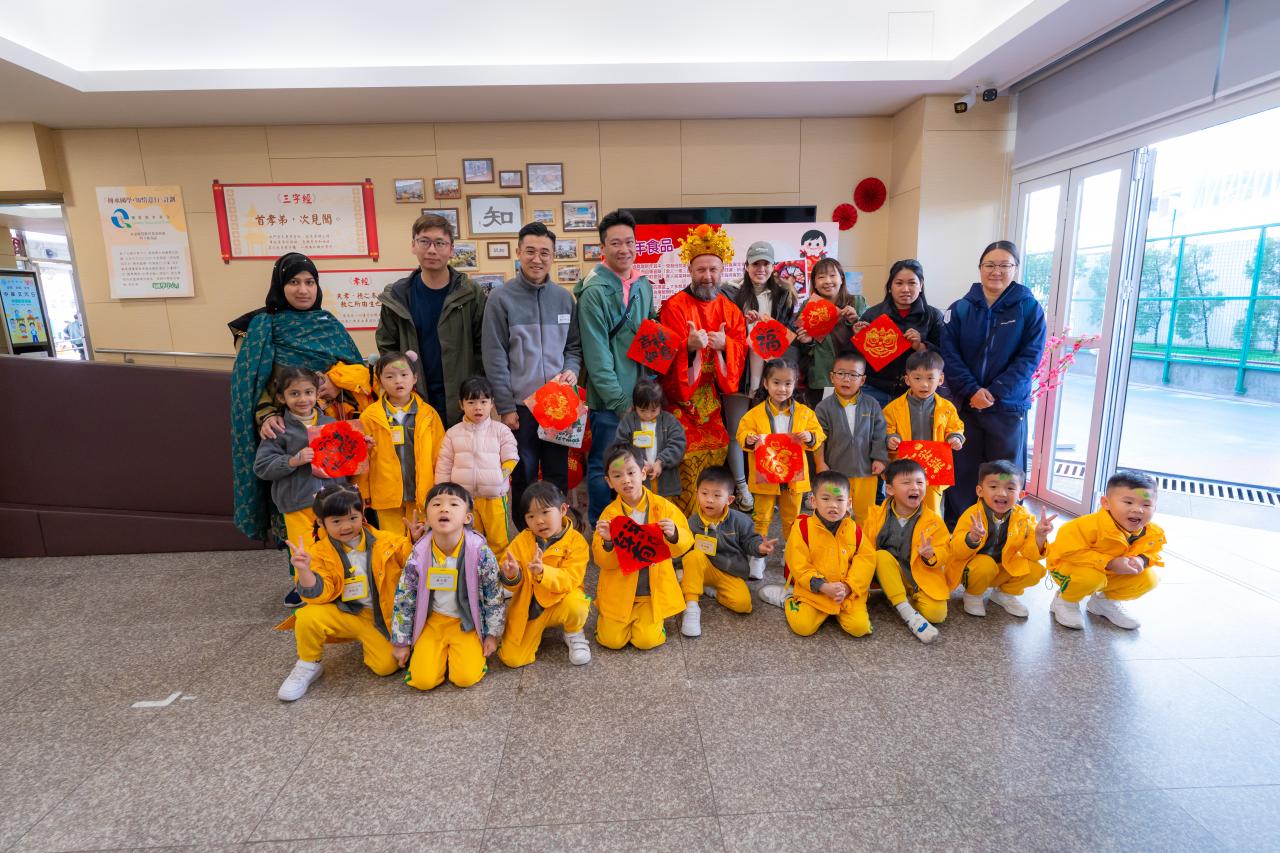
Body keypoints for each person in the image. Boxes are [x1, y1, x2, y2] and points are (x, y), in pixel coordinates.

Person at [229, 252, 363, 545]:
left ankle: (343, 569)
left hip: (330, 427)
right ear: (280, 285)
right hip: (287, 430)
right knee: (298, 519)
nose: (303, 290)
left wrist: (337, 382)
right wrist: (266, 415)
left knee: (340, 509)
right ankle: (302, 570)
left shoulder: (329, 324)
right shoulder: (264, 326)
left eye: (309, 282)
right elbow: (252, 384)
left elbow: (360, 370)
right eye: (294, 282)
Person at [275, 484, 424, 701]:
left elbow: (411, 563)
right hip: (347, 613)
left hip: (383, 616)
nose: (346, 526)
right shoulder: (318, 552)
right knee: (306, 616)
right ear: (321, 522)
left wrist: (416, 541)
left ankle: (373, 643)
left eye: (353, 518)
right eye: (336, 521)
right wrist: (304, 570)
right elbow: (319, 594)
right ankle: (308, 664)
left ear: (362, 514)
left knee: (386, 667)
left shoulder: (385, 541)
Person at [940, 240, 1047, 526]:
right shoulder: (960, 308)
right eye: (990, 265)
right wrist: (972, 390)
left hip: (1007, 407)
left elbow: (1030, 357)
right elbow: (949, 354)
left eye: (1004, 265)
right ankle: (961, 532)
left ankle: (1006, 533)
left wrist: (994, 392)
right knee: (963, 473)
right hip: (966, 406)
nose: (996, 271)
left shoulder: (1029, 309)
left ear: (1015, 268)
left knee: (1005, 475)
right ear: (980, 268)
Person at [481, 221, 581, 519]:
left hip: (558, 404)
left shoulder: (564, 298)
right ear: (518, 253)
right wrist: (505, 406)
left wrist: (572, 369)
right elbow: (495, 355)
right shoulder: (500, 299)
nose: (537, 259)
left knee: (557, 474)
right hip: (521, 407)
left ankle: (557, 533)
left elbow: (573, 347)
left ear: (553, 256)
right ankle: (525, 537)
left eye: (544, 253)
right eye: (530, 251)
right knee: (523, 473)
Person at [656, 225, 749, 513]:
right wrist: (687, 345)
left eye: (713, 270)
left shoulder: (730, 310)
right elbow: (664, 355)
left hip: (710, 398)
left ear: (722, 271)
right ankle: (680, 518)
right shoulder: (674, 306)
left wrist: (726, 346)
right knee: (681, 451)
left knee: (719, 446)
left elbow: (740, 347)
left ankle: (710, 513)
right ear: (690, 271)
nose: (707, 276)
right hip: (680, 399)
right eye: (701, 270)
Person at [574, 210, 655, 526]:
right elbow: (597, 356)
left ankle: (633, 526)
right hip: (611, 402)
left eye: (629, 242)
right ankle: (601, 530)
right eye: (616, 243)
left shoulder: (642, 284)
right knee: (604, 466)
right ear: (603, 248)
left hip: (641, 399)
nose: (624, 249)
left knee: (636, 466)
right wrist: (621, 402)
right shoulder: (594, 291)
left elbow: (650, 332)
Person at [390, 482, 505, 690]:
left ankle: (460, 658)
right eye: (436, 504)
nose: (444, 509)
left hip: (466, 622)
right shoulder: (420, 553)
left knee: (465, 678)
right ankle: (436, 658)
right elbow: (405, 597)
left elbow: (493, 594)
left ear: (467, 517)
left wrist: (492, 634)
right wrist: (401, 642)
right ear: (427, 518)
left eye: (453, 504)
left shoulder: (479, 552)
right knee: (423, 681)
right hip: (432, 623)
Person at [375, 213, 487, 427]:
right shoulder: (397, 295)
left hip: (464, 397)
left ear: (451, 249)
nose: (432, 250)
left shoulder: (470, 292)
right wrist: (401, 383)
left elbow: (484, 345)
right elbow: (387, 347)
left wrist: (478, 390)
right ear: (413, 245)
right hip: (414, 396)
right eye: (424, 241)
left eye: (440, 243)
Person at [591, 446, 693, 650]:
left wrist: (674, 534)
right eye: (617, 476)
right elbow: (602, 560)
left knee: (647, 641)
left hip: (650, 593)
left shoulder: (662, 507)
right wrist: (608, 542)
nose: (626, 480)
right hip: (619, 592)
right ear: (609, 482)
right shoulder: (609, 515)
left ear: (643, 473)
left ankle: (650, 623)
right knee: (611, 641)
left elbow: (686, 541)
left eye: (631, 472)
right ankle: (614, 622)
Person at [721, 240, 797, 510]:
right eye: (755, 264)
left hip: (772, 372)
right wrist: (744, 323)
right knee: (735, 432)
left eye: (766, 263)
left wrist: (767, 324)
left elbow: (788, 335)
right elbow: (725, 330)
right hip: (739, 371)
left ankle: (770, 485)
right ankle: (742, 487)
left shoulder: (785, 295)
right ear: (746, 266)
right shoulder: (731, 294)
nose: (760, 269)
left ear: (773, 266)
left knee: (771, 431)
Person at [757, 470, 876, 638]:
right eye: (826, 499)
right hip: (814, 592)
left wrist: (848, 587)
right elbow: (798, 564)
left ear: (849, 503)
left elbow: (866, 560)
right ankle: (788, 598)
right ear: (813, 501)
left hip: (846, 593)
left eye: (839, 499)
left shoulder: (855, 530)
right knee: (802, 627)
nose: (833, 505)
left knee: (860, 628)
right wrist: (823, 586)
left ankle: (837, 608)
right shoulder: (802, 528)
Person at [736, 358, 826, 578]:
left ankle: (792, 553)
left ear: (795, 384)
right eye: (776, 383)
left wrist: (810, 436)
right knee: (761, 517)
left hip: (794, 477)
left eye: (788, 383)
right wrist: (750, 438)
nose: (782, 389)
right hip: (764, 475)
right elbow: (742, 433)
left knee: (792, 517)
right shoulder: (755, 413)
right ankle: (758, 555)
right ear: (766, 383)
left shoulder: (805, 413)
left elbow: (819, 434)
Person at [1047, 471, 1164, 630]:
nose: (1138, 510)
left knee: (1148, 578)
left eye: (1146, 505)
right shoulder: (1086, 526)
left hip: (1108, 574)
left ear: (1155, 507)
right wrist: (1110, 563)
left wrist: (1141, 560)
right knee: (1091, 578)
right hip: (1068, 567)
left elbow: (1153, 552)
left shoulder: (1152, 532)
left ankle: (1105, 603)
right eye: (1128, 502)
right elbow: (1068, 551)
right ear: (1106, 503)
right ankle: (1065, 602)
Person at [497, 481, 592, 667]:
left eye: (545, 512)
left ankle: (574, 632)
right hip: (531, 607)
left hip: (561, 601)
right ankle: (535, 630)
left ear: (562, 510)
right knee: (512, 659)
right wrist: (511, 575)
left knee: (576, 605)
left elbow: (571, 579)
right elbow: (512, 584)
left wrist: (543, 572)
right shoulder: (522, 541)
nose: (538, 521)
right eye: (531, 516)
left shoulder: (576, 541)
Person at [252, 366, 347, 548]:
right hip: (298, 506)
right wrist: (292, 461)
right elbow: (262, 467)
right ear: (282, 397)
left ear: (317, 393)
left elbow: (345, 462)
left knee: (335, 553)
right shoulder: (278, 429)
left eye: (308, 392)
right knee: (306, 555)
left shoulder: (331, 424)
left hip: (333, 503)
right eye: (294, 394)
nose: (303, 399)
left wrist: (361, 446)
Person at [678, 465, 777, 638]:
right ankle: (692, 607)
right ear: (697, 493)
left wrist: (760, 548)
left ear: (729, 499)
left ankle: (712, 591)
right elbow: (683, 547)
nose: (709, 500)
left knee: (743, 605)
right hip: (704, 568)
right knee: (693, 556)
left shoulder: (740, 520)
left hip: (729, 572)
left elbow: (750, 540)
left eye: (717, 495)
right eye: (704, 493)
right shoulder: (692, 522)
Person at [947, 460, 1054, 618]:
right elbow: (955, 550)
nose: (1002, 493)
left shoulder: (1024, 518)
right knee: (985, 564)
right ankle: (973, 595)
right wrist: (971, 538)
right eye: (993, 486)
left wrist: (1039, 537)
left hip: (1004, 567)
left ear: (1021, 495)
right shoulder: (972, 515)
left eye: (1010, 488)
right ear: (980, 491)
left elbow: (1030, 554)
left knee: (1036, 570)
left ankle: (1004, 594)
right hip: (976, 570)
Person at [863, 459, 954, 644]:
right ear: (890, 489)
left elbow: (945, 551)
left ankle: (897, 597)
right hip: (887, 571)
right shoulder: (876, 515)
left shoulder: (934, 521)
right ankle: (907, 612)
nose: (915, 487)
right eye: (906, 482)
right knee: (881, 555)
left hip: (919, 578)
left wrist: (931, 555)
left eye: (920, 482)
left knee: (936, 615)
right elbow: (864, 550)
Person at [360, 352, 445, 538]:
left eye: (404, 375)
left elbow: (439, 454)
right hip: (385, 493)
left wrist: (440, 486)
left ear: (414, 378)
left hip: (421, 493)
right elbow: (362, 458)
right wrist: (363, 491)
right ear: (380, 381)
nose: (398, 381)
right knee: (392, 541)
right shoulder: (369, 416)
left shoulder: (428, 414)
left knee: (422, 539)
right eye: (390, 376)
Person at [435, 376, 518, 561]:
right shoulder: (453, 433)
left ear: (492, 403)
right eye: (471, 402)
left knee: (499, 540)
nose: (478, 407)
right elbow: (444, 465)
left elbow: (511, 457)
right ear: (461, 405)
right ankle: (474, 572)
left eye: (483, 402)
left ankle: (502, 574)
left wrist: (500, 477)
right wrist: (442, 495)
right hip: (464, 500)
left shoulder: (501, 430)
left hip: (494, 499)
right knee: (470, 540)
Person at [850, 259, 944, 407]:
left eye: (912, 283)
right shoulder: (872, 314)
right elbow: (856, 358)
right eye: (899, 283)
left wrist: (920, 346)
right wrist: (858, 338)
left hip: (916, 391)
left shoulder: (933, 316)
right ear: (890, 287)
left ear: (921, 285)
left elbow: (944, 355)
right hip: (874, 389)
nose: (905, 289)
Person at [883, 350, 964, 517]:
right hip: (904, 468)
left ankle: (933, 534)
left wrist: (955, 437)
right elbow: (886, 429)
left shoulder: (947, 408)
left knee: (932, 511)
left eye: (930, 378)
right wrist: (890, 439)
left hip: (934, 469)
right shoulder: (893, 408)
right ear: (907, 380)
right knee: (902, 506)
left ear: (940, 379)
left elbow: (955, 427)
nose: (924, 384)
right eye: (917, 378)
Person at [813, 352, 888, 530]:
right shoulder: (823, 407)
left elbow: (880, 433)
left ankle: (864, 544)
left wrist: (879, 458)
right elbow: (819, 439)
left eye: (853, 375)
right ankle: (835, 541)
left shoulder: (872, 404)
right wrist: (820, 463)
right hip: (836, 472)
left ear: (862, 380)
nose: (846, 379)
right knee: (834, 511)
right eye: (841, 373)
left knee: (865, 514)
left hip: (866, 472)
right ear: (832, 377)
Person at [796, 257, 862, 407]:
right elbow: (801, 349)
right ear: (814, 283)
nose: (827, 281)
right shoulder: (808, 306)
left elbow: (872, 340)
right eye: (821, 277)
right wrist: (807, 342)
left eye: (832, 275)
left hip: (853, 375)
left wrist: (856, 321)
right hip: (821, 377)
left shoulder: (857, 302)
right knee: (821, 418)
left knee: (850, 417)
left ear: (842, 279)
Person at [612, 379, 686, 503]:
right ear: (635, 406)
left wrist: (661, 461)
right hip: (637, 486)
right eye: (642, 410)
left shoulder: (669, 421)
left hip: (666, 485)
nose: (648, 415)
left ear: (661, 405)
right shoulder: (628, 422)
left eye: (653, 410)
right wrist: (638, 462)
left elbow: (678, 443)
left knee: (664, 511)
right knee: (640, 509)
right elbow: (621, 446)